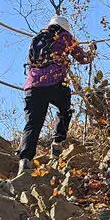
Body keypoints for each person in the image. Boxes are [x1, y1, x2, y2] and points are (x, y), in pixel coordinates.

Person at [18, 13, 95, 175]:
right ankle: (57, 142)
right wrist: (92, 50)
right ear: (65, 28)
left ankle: (25, 161)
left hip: (32, 85)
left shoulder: (37, 38)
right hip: (54, 83)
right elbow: (83, 58)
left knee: (32, 123)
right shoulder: (65, 37)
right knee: (65, 108)